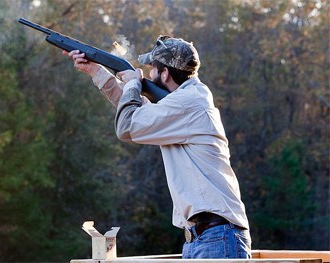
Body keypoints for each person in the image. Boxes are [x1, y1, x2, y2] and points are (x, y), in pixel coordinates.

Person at [63, 35, 252, 259]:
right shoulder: (188, 100)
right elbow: (136, 111)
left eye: (152, 68)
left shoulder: (188, 101)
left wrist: (134, 83)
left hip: (216, 237)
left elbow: (127, 126)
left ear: (165, 73)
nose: (148, 75)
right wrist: (97, 71)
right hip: (204, 237)